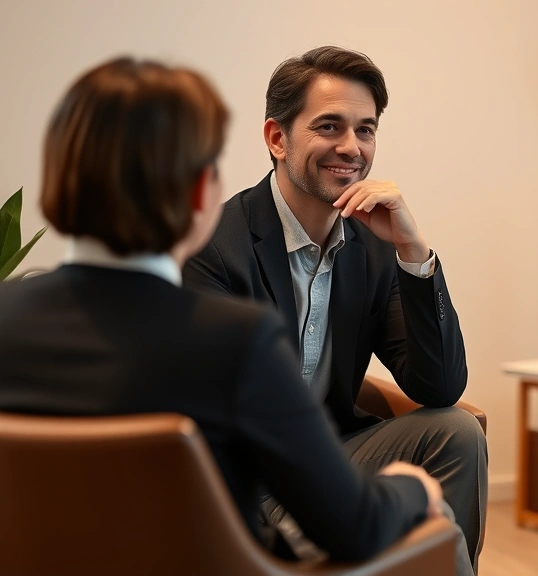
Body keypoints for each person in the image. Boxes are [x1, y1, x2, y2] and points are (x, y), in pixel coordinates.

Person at [0, 57, 447, 564]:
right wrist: (411, 487)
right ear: (200, 190)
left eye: (365, 129)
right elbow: (355, 528)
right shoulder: (235, 339)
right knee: (435, 522)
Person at [182, 46, 485, 570]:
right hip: (245, 482)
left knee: (457, 431)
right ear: (277, 138)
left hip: (331, 460)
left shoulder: (373, 245)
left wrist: (413, 252)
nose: (351, 147)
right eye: (329, 126)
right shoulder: (215, 247)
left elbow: (438, 386)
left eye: (365, 130)